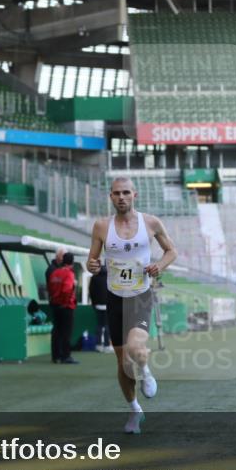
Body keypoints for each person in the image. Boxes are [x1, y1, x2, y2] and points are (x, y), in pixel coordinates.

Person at [87, 177, 177, 434]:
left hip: (140, 295)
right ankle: (135, 410)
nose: (121, 197)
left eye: (126, 192)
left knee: (137, 348)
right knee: (123, 363)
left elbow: (171, 251)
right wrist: (92, 265)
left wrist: (159, 265)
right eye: (117, 193)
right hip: (114, 297)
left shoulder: (151, 223)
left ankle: (146, 371)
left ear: (135, 195)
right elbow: (91, 261)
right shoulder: (102, 226)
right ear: (111, 197)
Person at [48, 252, 79, 364]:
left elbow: (50, 288)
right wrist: (66, 302)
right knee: (66, 332)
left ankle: (55, 356)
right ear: (72, 262)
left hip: (55, 305)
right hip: (66, 306)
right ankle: (66, 356)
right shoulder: (69, 274)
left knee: (56, 331)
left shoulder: (55, 273)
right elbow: (67, 290)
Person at [89, 265, 110, 352]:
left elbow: (91, 291)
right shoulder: (109, 278)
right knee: (107, 326)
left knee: (99, 325)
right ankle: (106, 345)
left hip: (97, 306)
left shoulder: (94, 278)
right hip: (107, 306)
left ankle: (98, 345)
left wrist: (94, 304)